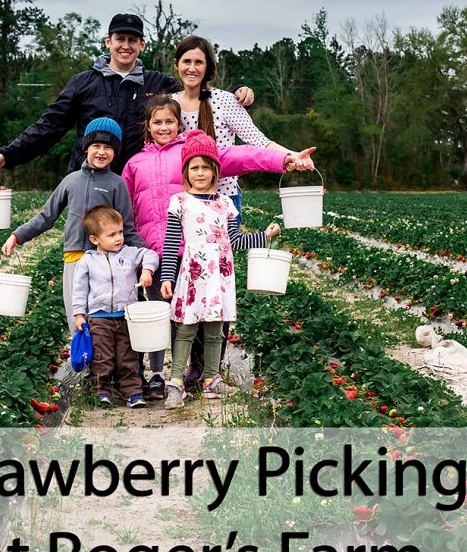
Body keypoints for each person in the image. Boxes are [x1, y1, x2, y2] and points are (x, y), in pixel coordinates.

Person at [122, 95, 316, 398]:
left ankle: (199, 374)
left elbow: (244, 156)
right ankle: (159, 375)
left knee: (197, 321)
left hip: (193, 257)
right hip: (152, 255)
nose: (163, 127)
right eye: (157, 122)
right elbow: (125, 208)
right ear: (147, 126)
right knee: (160, 318)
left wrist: (285, 159)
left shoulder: (191, 155)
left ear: (179, 123)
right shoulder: (135, 163)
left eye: (169, 121)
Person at [0, 13, 255, 177]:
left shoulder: (157, 84)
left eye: (132, 40)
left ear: (141, 45)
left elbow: (194, 89)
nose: (125, 46)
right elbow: (49, 126)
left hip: (136, 183)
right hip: (89, 179)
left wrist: (235, 93)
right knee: (87, 258)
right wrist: (8, 155)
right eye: (120, 39)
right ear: (108, 42)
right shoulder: (83, 83)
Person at [160, 131, 281, 407]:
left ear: (216, 171)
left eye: (206, 167)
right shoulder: (180, 202)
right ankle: (176, 382)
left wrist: (265, 235)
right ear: (186, 172)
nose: (200, 173)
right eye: (194, 168)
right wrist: (167, 276)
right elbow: (170, 245)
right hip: (192, 275)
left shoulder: (225, 204)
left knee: (216, 331)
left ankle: (212, 380)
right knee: (186, 328)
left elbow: (235, 240)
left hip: (219, 276)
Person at [1, 117, 144, 334]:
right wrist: (17, 236)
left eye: (108, 147)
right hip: (74, 259)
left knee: (102, 322)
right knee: (76, 317)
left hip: (105, 263)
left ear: (115, 151)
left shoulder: (117, 184)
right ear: (86, 147)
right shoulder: (71, 180)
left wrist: (147, 258)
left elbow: (128, 229)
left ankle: (103, 365)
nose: (101, 152)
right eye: (96, 145)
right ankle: (81, 364)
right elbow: (46, 216)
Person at [172, 35, 291, 226]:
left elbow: (259, 141)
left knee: (223, 255)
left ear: (208, 67)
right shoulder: (170, 104)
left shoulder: (224, 101)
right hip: (183, 202)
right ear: (177, 65)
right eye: (187, 61)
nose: (192, 68)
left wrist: (292, 156)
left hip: (223, 198)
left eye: (199, 62)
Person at [72, 205, 159, 408]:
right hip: (99, 317)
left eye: (120, 232)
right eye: (111, 235)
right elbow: (79, 289)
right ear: (95, 239)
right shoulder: (87, 261)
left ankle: (133, 391)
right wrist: (79, 314)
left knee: (128, 357)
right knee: (102, 357)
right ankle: (101, 390)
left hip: (127, 316)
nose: (119, 238)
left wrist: (147, 271)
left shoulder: (129, 253)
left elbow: (151, 255)